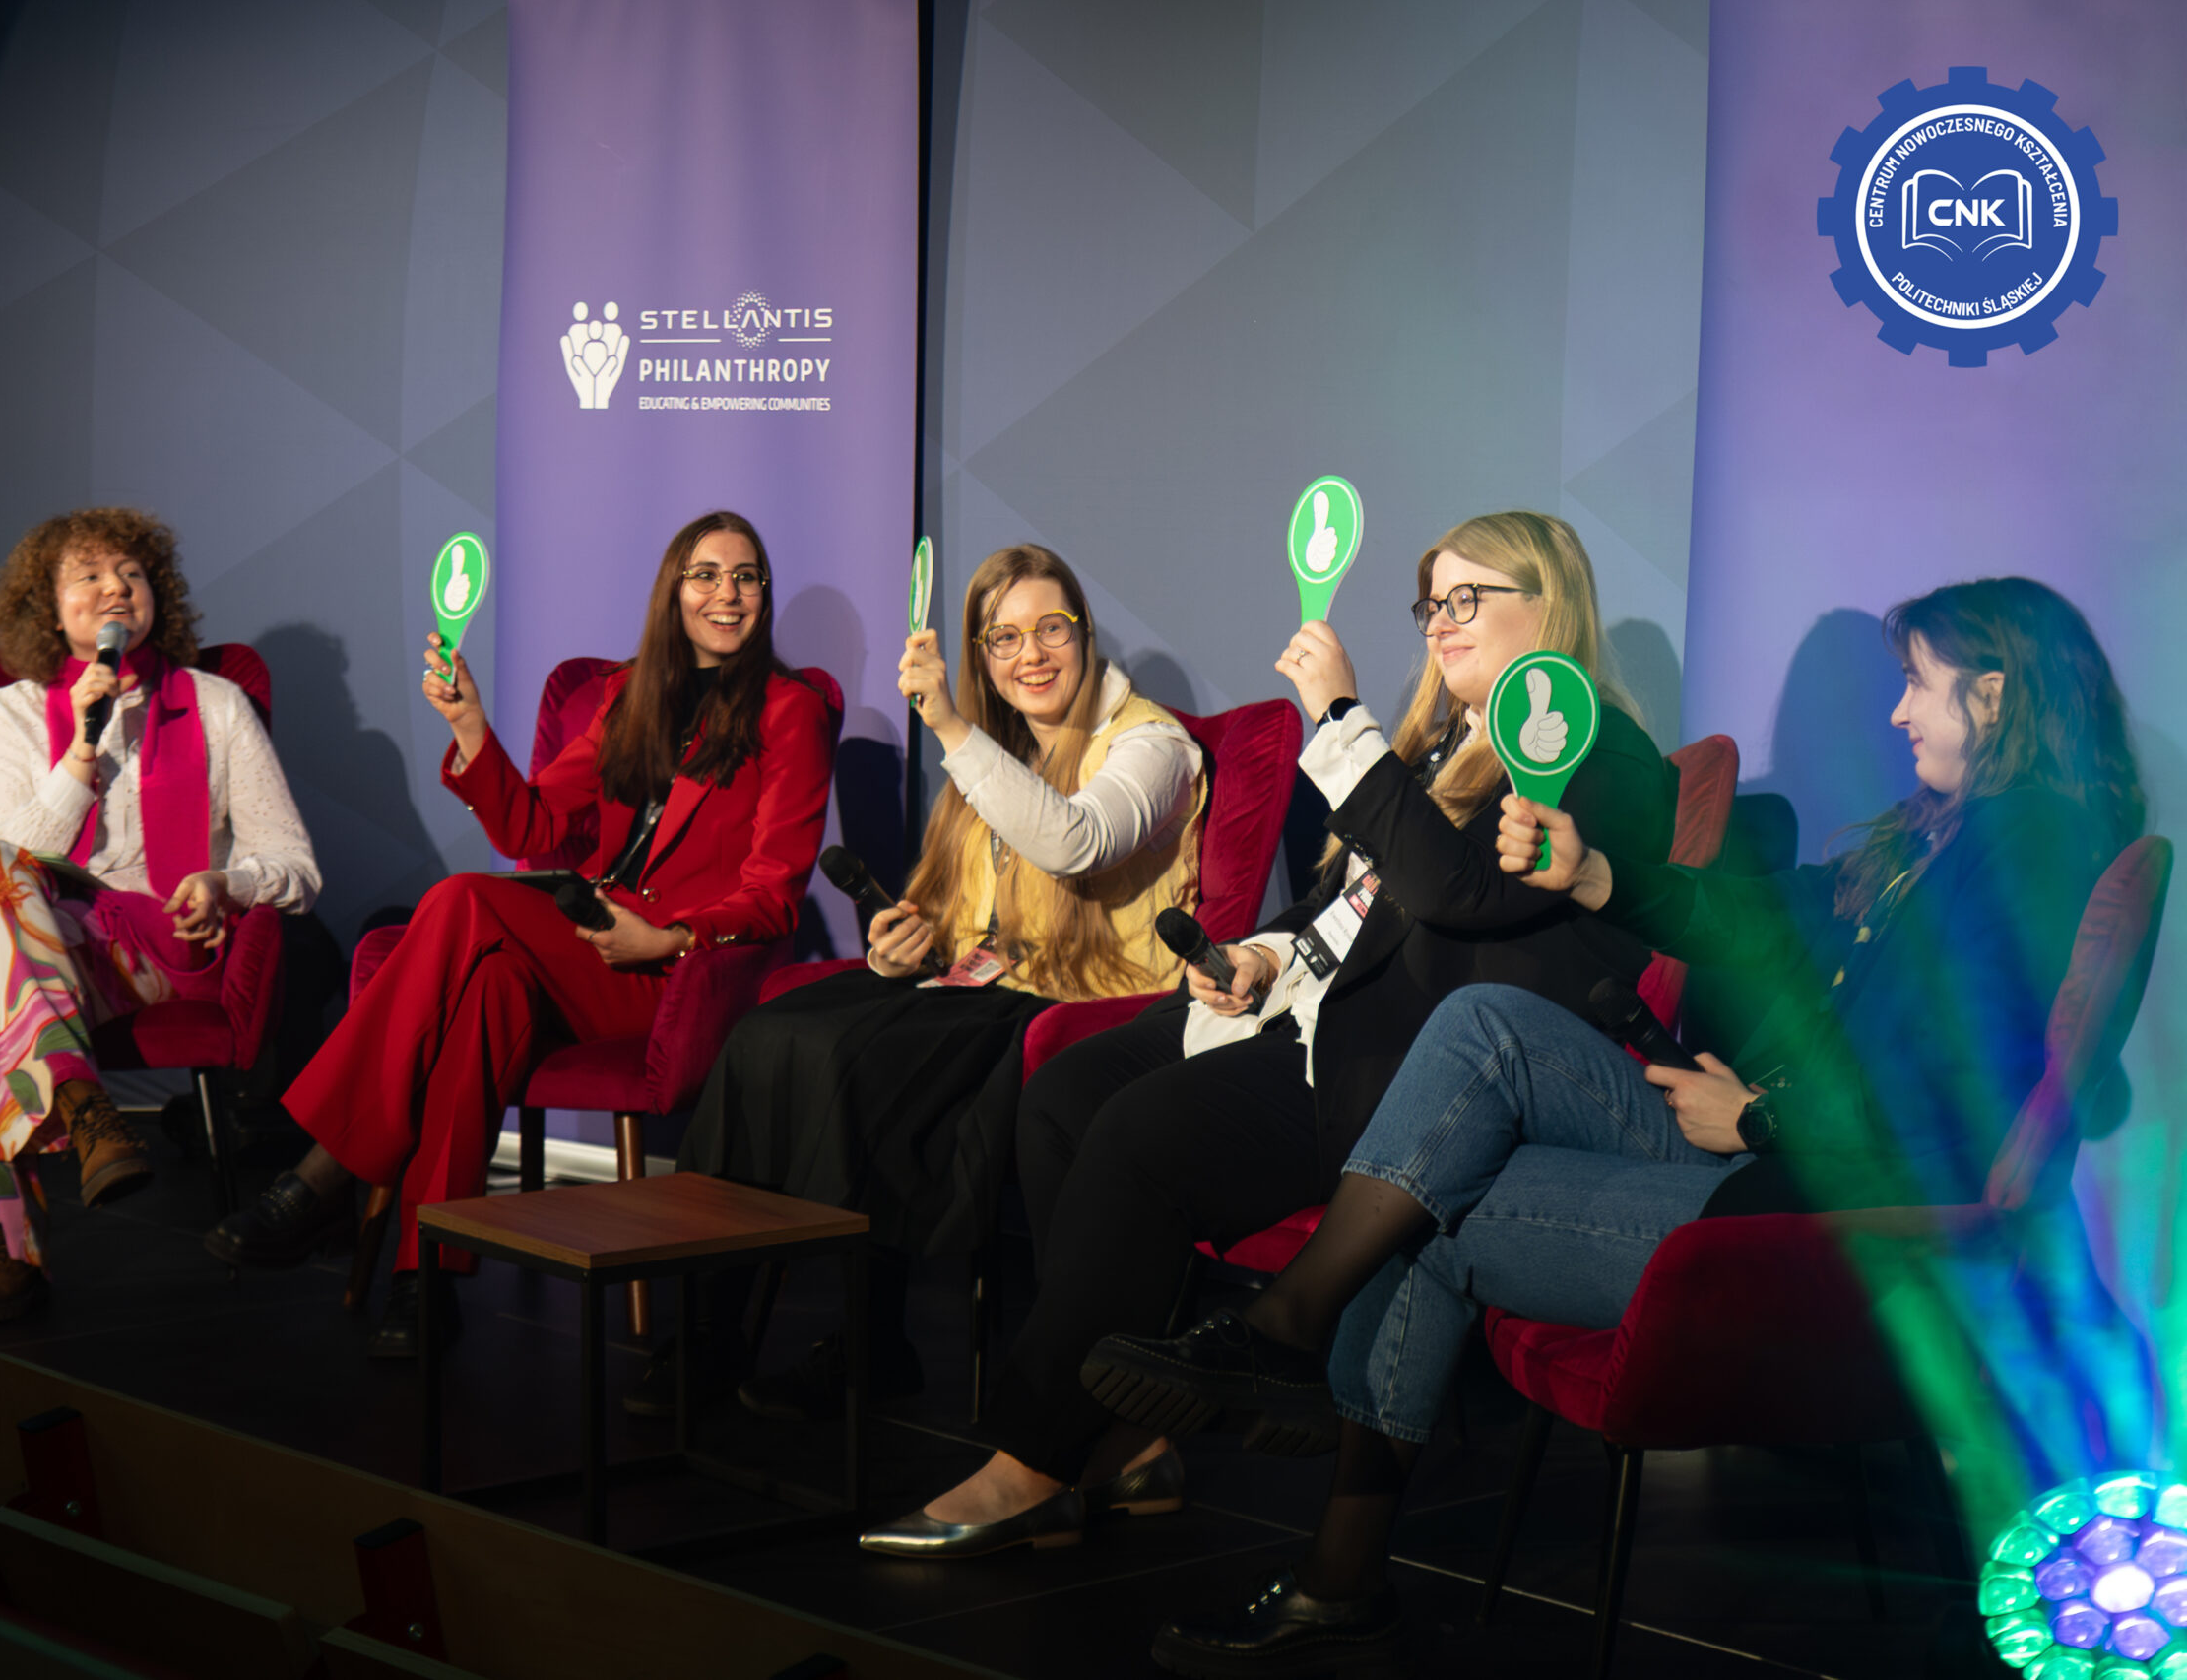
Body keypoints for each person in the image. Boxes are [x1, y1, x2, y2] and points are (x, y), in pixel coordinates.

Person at [1085, 576, 2140, 1673]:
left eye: (1916, 684)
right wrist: (1592, 873)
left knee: (1424, 1202)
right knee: (1481, 1027)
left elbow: (1962, 1091)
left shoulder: (2031, 843)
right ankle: (1295, 1359)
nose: (1897, 710)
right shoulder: (1944, 835)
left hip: (1832, 1212)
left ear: (1995, 694)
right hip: (1780, 1166)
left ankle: (1321, 1505)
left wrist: (1766, 1118)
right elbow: (1762, 917)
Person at [860, 510, 1677, 1558]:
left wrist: (1339, 717)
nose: (1438, 622)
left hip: (1405, 1072)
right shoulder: (1440, 742)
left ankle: (1033, 1460)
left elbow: (1456, 894)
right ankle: (1125, 1437)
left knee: (1141, 1135)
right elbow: (1346, 906)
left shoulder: (1602, 754)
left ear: (1549, 603)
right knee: (1063, 1095)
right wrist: (1260, 954)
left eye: (1468, 598)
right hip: (1311, 1009)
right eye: (1431, 601)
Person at [204, 510, 835, 1356]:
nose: (728, 593)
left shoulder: (791, 711)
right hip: (589, 943)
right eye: (706, 574)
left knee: (463, 897)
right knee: (485, 995)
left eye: (747, 576)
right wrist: (471, 726)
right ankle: (425, 1279)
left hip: (676, 975)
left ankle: (323, 1172)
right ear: (673, 591)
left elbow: (774, 894)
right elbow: (534, 826)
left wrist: (671, 938)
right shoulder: (627, 695)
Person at [665, 544, 1207, 1421]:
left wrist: (952, 727)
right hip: (981, 986)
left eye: (1051, 628)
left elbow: (1074, 841)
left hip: (1081, 1006)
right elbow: (961, 919)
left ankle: (871, 1341)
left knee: (856, 1060)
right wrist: (900, 945)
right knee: (770, 1035)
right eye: (1003, 638)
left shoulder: (1152, 744)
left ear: (1086, 633)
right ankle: (703, 1331)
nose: (1030, 655)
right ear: (983, 654)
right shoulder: (1000, 751)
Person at [0, 508, 320, 1325]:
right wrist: (80, 752)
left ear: (156, 595)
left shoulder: (215, 703)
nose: (115, 588)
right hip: (48, 941)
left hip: (160, 948)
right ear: (49, 608)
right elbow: (0, 863)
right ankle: (82, 1105)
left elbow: (295, 866)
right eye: (89, 575)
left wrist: (226, 882)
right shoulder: (15, 710)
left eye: (131, 573)